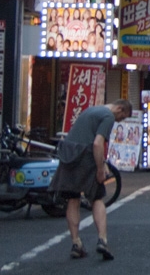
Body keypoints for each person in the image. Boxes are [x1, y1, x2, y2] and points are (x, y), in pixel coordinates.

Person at [51, 99, 133, 260]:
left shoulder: (92, 110)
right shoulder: (108, 116)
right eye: (122, 117)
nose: (119, 121)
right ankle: (102, 240)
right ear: (120, 109)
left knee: (73, 198)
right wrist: (100, 169)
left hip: (68, 154)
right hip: (85, 156)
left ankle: (76, 243)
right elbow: (97, 144)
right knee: (97, 197)